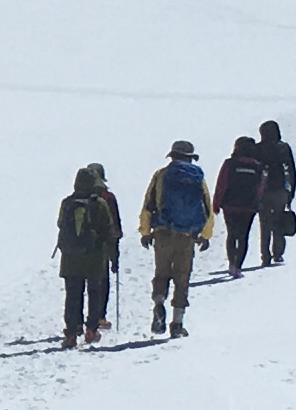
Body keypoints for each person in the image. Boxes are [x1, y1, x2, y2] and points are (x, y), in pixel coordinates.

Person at [137, 142, 211, 335]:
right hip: (187, 235)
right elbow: (207, 206)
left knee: (162, 273)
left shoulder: (161, 175)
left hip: (163, 232)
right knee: (182, 277)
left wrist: (145, 232)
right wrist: (205, 234)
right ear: (190, 157)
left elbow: (148, 204)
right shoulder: (197, 177)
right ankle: (177, 324)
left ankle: (159, 302)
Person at [55, 163, 121, 345]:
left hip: (70, 258)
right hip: (94, 258)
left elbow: (61, 224)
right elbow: (109, 231)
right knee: (94, 293)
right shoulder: (99, 204)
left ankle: (70, 332)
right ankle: (91, 330)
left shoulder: (67, 203)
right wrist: (113, 256)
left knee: (72, 295)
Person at [215, 134, 268, 276]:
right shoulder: (258, 166)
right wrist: (258, 203)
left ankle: (231, 263)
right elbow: (261, 187)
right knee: (244, 236)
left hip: (230, 205)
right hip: (248, 206)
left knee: (232, 234)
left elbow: (222, 183)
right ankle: (238, 266)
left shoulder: (230, 163)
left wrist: (216, 204)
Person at [255, 121, 296, 265]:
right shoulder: (284, 148)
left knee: (264, 223)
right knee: (278, 222)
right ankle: (278, 253)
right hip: (281, 191)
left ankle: (265, 255)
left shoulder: (258, 148)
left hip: (263, 191)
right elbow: (291, 170)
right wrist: (291, 192)